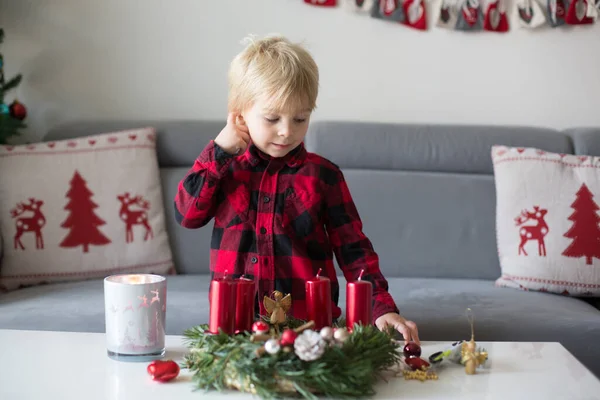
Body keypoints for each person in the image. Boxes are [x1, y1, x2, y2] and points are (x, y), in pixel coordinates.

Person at [173, 35, 419, 344]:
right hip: (237, 332)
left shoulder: (323, 175)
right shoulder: (224, 170)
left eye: (300, 118)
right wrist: (220, 151)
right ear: (239, 116)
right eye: (272, 118)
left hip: (312, 334)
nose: (287, 130)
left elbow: (354, 249)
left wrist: (380, 308)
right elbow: (187, 214)